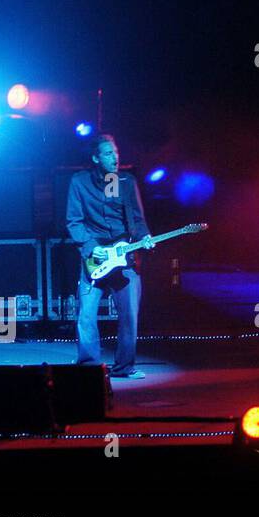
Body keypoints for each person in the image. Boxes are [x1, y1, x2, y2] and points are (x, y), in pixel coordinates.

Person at [66, 134, 155, 378]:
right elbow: (74, 221)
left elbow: (137, 219)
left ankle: (124, 366)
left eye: (115, 152)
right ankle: (88, 368)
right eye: (107, 153)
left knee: (129, 313)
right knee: (86, 313)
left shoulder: (126, 181)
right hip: (94, 256)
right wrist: (91, 245)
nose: (114, 157)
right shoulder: (79, 182)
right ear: (95, 157)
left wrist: (144, 238)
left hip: (124, 254)